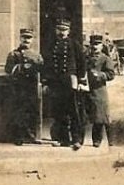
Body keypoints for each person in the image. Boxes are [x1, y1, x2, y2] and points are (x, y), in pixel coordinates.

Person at [45, 18, 86, 150]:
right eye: (59, 29)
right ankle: (62, 139)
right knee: (59, 112)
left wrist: (81, 81)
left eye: (64, 30)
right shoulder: (51, 45)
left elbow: (82, 64)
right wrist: (46, 82)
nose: (61, 32)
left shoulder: (74, 45)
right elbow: (48, 65)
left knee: (74, 112)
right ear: (55, 30)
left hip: (70, 81)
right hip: (56, 83)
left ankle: (77, 139)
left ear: (68, 31)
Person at [5, 27, 44, 145]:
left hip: (32, 87)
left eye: (29, 38)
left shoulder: (36, 55)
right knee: (19, 112)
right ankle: (18, 137)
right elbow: (8, 70)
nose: (26, 40)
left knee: (32, 111)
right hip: (19, 87)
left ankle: (32, 135)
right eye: (24, 37)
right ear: (20, 38)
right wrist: (21, 67)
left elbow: (42, 69)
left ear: (32, 40)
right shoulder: (13, 54)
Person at [85, 34, 116, 148]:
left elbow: (111, 74)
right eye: (93, 44)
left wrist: (100, 75)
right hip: (87, 89)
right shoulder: (85, 57)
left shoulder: (105, 59)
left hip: (99, 89)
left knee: (101, 115)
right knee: (90, 115)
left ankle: (100, 140)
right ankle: (86, 139)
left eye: (97, 44)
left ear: (102, 45)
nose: (95, 47)